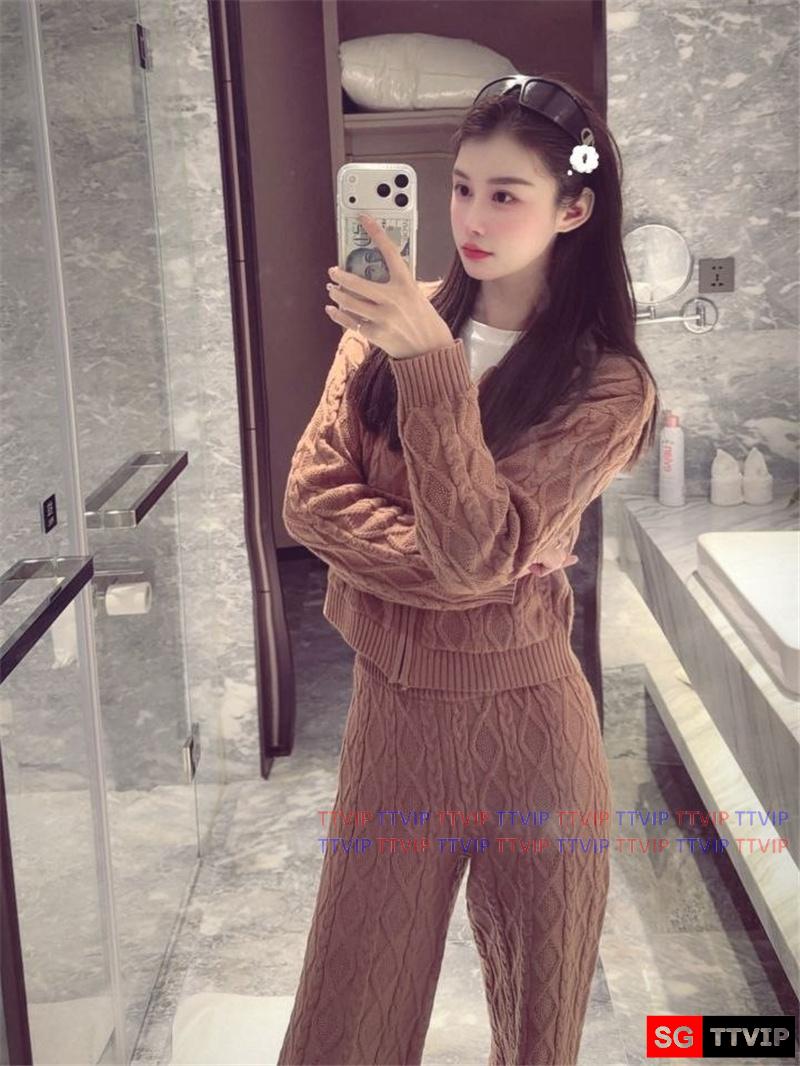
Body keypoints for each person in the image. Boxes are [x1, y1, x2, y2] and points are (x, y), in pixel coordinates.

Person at [278, 74, 660, 1066]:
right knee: (346, 1022)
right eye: (460, 188)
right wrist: (462, 559)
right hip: (391, 725)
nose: (472, 218)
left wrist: (431, 368)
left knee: (539, 1028)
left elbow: (476, 552)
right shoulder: (382, 330)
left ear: (571, 209)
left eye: (505, 194)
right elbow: (309, 504)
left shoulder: (607, 385)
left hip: (534, 733)